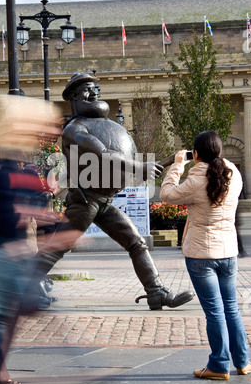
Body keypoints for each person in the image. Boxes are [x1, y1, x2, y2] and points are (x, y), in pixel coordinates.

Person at [37, 72, 194, 310]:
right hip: (86, 201)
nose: (94, 93)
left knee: (136, 243)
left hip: (103, 202)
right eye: (87, 90)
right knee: (58, 247)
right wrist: (139, 166)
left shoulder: (100, 125)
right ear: (74, 98)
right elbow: (103, 154)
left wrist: (172, 160)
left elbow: (130, 163)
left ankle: (156, 292)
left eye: (95, 88)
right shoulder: (74, 129)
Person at [0, 96, 81, 384]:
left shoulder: (17, 161)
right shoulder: (9, 161)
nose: (53, 131)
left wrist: (43, 217)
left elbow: (12, 206)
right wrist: (35, 239)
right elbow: (2, 211)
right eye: (48, 125)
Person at [160, 130, 251, 380]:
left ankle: (219, 365)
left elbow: (166, 194)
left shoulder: (195, 179)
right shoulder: (233, 174)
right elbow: (219, 173)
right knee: (231, 308)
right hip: (228, 251)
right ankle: (243, 361)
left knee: (214, 311)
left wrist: (178, 165)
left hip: (201, 254)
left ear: (196, 154)